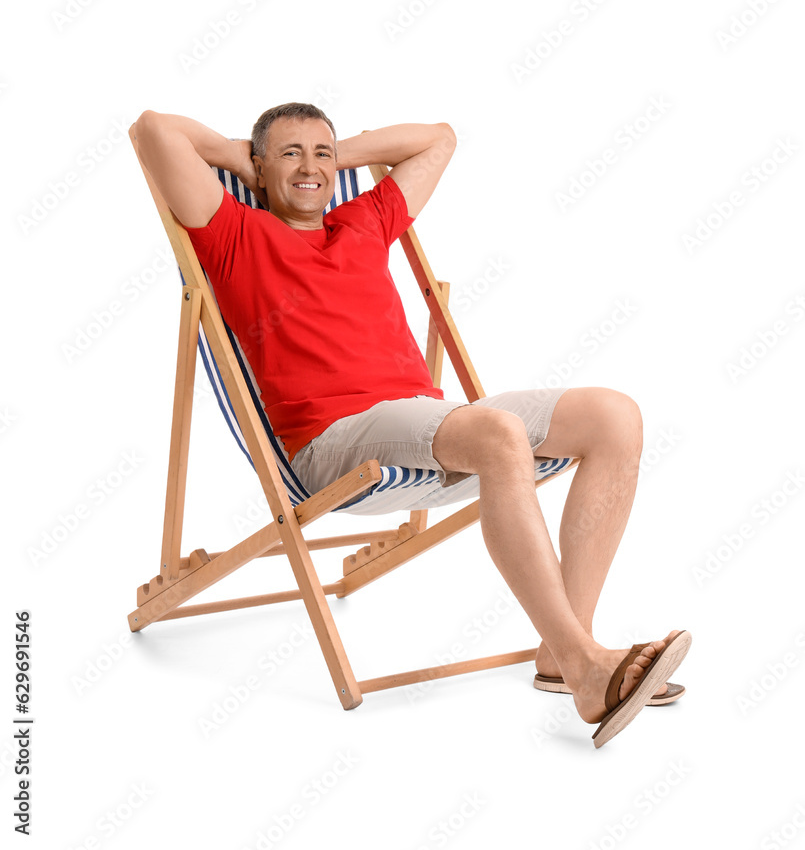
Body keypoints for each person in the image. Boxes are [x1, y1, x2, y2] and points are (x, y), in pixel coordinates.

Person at [131, 102, 690, 747]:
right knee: (499, 435)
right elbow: (153, 129)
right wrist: (245, 163)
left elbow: (439, 138)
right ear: (258, 167)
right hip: (334, 440)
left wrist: (333, 157)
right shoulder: (233, 233)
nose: (312, 167)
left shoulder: (362, 221)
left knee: (614, 416)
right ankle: (588, 666)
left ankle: (564, 649)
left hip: (426, 422)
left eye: (323, 153)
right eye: (290, 154)